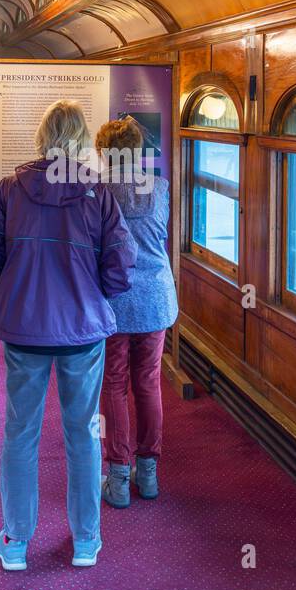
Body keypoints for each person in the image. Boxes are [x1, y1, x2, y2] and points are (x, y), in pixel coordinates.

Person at [0, 100, 135, 570]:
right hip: (82, 331)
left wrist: (5, 288)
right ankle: (86, 541)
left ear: (43, 137)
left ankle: (17, 542)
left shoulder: (11, 189)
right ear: (82, 140)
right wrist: (94, 294)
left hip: (25, 329)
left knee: (20, 432)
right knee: (83, 432)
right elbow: (121, 263)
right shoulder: (97, 193)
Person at [95, 116, 178, 508]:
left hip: (114, 298)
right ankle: (149, 473)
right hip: (156, 296)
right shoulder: (161, 187)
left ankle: (118, 472)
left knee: (113, 383)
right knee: (148, 382)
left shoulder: (98, 191)